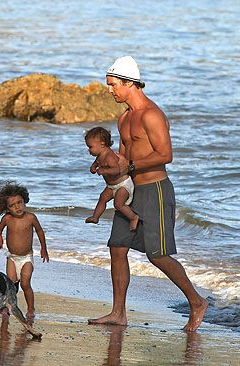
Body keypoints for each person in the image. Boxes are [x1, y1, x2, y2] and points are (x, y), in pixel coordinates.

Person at [88, 56, 208, 332]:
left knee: (158, 254)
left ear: (130, 83)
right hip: (129, 189)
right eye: (108, 85)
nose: (110, 90)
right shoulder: (124, 118)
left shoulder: (152, 114)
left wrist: (130, 165)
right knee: (117, 247)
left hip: (155, 189)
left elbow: (166, 155)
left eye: (113, 85)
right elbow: (124, 158)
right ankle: (118, 313)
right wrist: (104, 165)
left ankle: (197, 301)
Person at [0, 181, 49, 320]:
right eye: (12, 205)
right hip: (12, 257)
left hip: (26, 258)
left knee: (25, 283)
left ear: (24, 200)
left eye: (19, 202)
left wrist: (44, 248)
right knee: (10, 284)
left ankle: (30, 308)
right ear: (6, 208)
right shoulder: (7, 219)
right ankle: (6, 307)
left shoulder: (31, 217)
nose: (17, 207)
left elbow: (40, 231)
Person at [84, 126, 139, 230]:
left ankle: (133, 217)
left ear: (102, 144)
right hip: (111, 186)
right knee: (102, 198)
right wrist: (93, 167)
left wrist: (104, 171)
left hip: (123, 184)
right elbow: (97, 162)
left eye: (90, 147)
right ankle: (95, 217)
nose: (89, 150)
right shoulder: (100, 155)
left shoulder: (109, 156)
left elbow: (116, 170)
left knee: (118, 204)